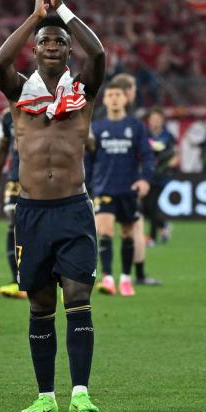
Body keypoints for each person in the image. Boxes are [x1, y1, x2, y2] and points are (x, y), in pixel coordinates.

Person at [0, 0, 105, 412]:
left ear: (68, 49)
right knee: (40, 304)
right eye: (46, 41)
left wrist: (64, 13)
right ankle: (45, 395)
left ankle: (80, 392)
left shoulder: (83, 90)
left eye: (60, 41)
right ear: (36, 50)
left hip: (74, 209)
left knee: (77, 297)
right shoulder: (20, 91)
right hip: (32, 211)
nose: (54, 45)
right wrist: (36, 17)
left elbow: (98, 52)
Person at [89, 83, 154, 296]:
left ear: (125, 99)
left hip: (128, 188)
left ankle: (125, 279)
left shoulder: (136, 126)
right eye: (110, 95)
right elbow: (88, 160)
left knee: (127, 234)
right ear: (105, 100)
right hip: (103, 187)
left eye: (118, 94)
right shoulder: (97, 128)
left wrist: (145, 179)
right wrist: (87, 186)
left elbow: (147, 156)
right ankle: (108, 278)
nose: (114, 98)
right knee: (105, 231)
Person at [108, 73, 161, 286]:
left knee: (98, 229)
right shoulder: (131, 120)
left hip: (101, 183)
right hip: (125, 182)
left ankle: (96, 274)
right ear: (128, 92)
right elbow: (145, 154)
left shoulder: (100, 115)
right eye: (134, 90)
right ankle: (137, 275)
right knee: (134, 226)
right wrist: (144, 178)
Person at [0, 108, 26, 299]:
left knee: (42, 226)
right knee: (14, 226)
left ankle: (48, 278)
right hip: (16, 177)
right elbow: (3, 149)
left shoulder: (48, 106)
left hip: (42, 176)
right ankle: (18, 280)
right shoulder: (7, 116)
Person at [143, 107, 178, 245]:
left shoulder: (168, 136)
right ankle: (163, 226)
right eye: (153, 119)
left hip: (162, 177)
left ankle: (152, 237)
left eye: (158, 119)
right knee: (146, 207)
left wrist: (169, 164)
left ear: (162, 121)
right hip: (148, 175)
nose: (155, 122)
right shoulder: (145, 135)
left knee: (151, 205)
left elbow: (175, 155)